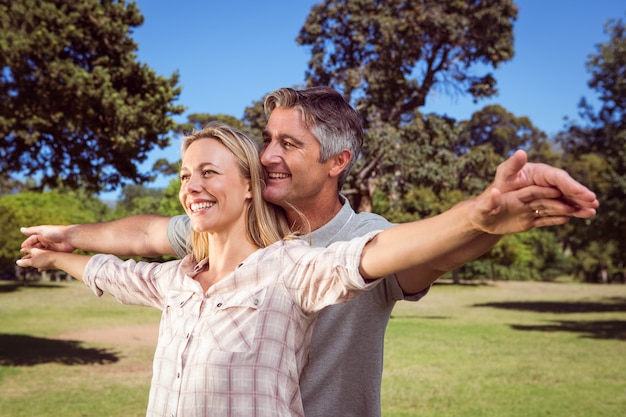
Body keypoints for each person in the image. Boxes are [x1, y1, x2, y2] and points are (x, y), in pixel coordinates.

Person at [20, 87, 599, 417]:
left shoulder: (360, 234)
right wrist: (68, 237)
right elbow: (144, 238)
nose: (267, 154)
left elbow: (433, 251)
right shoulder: (240, 226)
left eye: (288, 143)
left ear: (337, 162)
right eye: (267, 139)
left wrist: (486, 216)